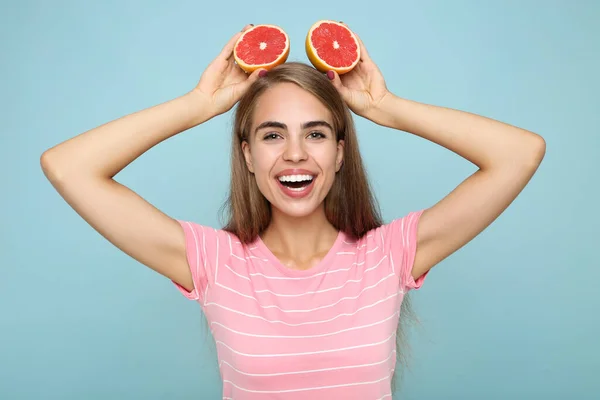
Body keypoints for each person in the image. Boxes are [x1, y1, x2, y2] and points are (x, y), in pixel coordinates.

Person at [40, 24, 545, 399]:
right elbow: (68, 167)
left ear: (340, 152)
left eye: (317, 133)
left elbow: (520, 153)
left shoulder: (391, 254)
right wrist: (199, 104)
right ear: (248, 156)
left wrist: (385, 106)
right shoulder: (212, 260)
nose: (296, 154)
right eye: (272, 134)